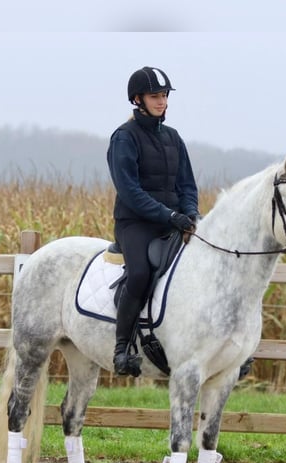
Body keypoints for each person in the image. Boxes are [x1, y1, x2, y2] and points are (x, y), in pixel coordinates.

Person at [106, 66, 200, 377]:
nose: (161, 102)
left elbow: (186, 184)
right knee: (140, 274)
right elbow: (130, 191)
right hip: (135, 223)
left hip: (173, 222)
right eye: (155, 96)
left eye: (164, 96)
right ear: (138, 99)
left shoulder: (174, 138)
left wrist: (190, 214)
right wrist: (169, 215)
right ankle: (122, 349)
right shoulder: (124, 138)